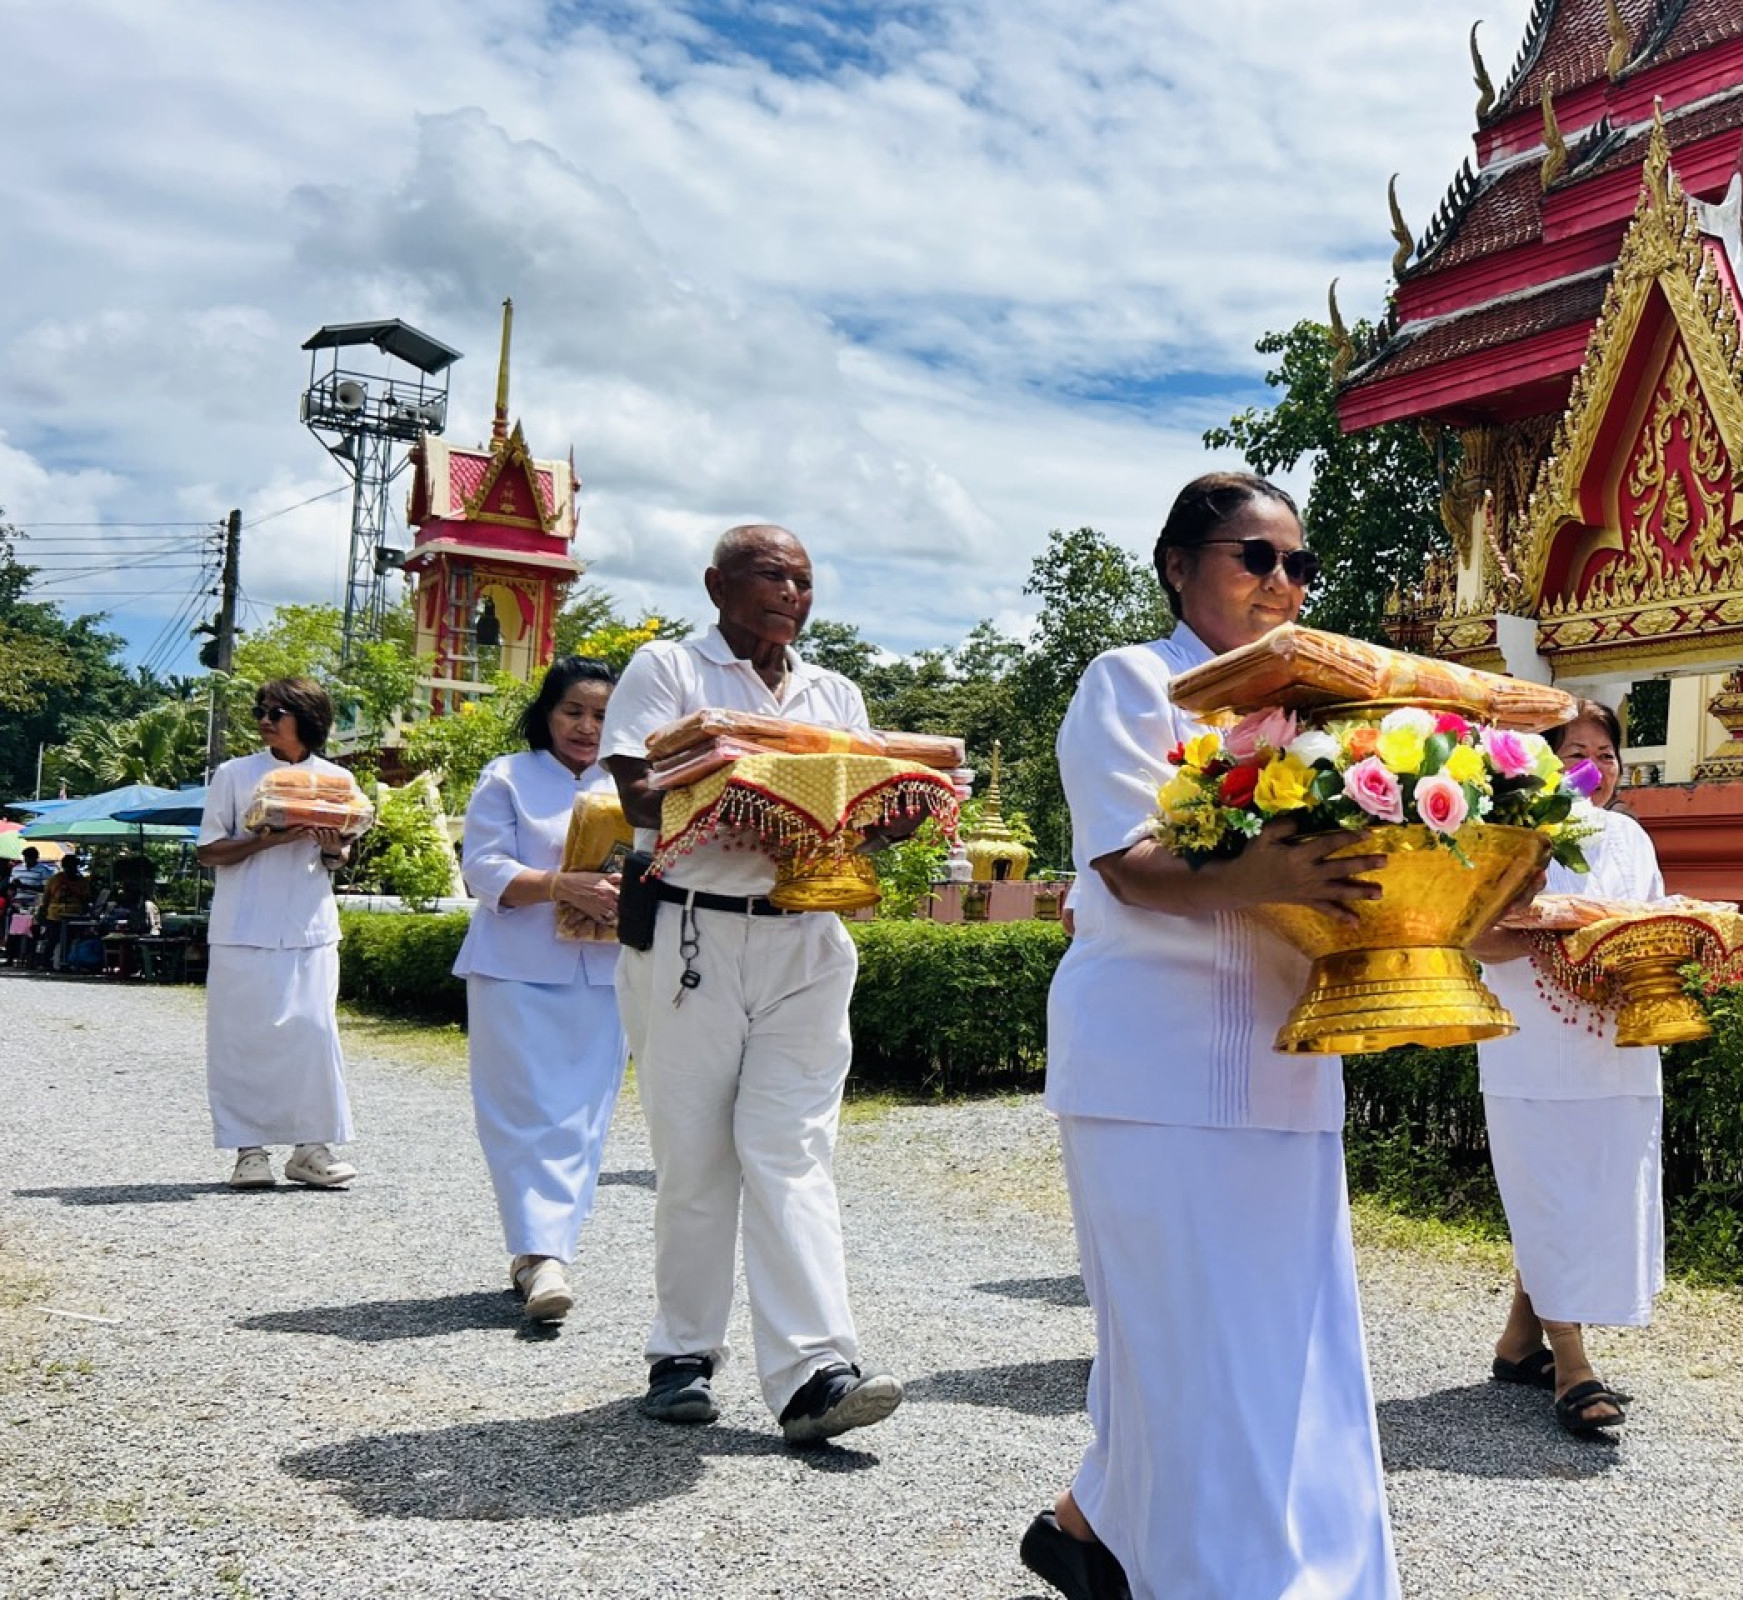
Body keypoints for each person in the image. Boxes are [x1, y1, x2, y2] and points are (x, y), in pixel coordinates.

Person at [1021, 471, 1396, 1600]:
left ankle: (1093, 1530)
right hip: (1152, 1063)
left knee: (1287, 1350)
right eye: (1255, 556)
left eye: (1299, 563)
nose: (1282, 582)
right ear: (1179, 568)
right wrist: (1270, 871)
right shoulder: (1133, 682)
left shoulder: (1329, 716)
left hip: (1286, 1059)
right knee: (1180, 1344)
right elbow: (1128, 865)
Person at [600, 523, 932, 1447]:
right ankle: (682, 1353)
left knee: (790, 1149)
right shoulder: (670, 669)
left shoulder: (834, 692)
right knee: (696, 1154)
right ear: (717, 585)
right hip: (694, 932)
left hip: (806, 939)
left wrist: (893, 813)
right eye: (772, 575)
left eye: (805, 580)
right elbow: (636, 792)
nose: (792, 593)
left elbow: (859, 816)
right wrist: (752, 789)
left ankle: (815, 1372)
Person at [1466, 699, 1663, 1438]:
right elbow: (1472, 937)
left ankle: (1520, 1342)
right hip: (1531, 1044)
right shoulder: (1508, 835)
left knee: (1598, 1191)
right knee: (1546, 1191)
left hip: (1616, 1042)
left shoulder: (1630, 837)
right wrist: (1556, 934)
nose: (1594, 768)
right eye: (1574, 753)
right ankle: (1572, 1365)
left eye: (1606, 755)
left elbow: (1650, 926)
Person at [454, 658, 628, 1326]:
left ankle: (546, 1253)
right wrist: (559, 885)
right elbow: (482, 868)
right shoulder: (507, 776)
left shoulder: (637, 787)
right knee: (521, 1112)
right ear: (547, 714)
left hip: (607, 972)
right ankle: (540, 1255)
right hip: (515, 967)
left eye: (602, 715)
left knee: (582, 1117)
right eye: (573, 711)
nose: (587, 727)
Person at [194, 677, 358, 1190]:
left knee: (315, 1035)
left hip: (310, 926)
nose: (265, 720)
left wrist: (331, 848)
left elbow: (340, 855)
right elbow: (208, 851)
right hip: (242, 927)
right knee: (242, 1040)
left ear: (307, 719)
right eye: (261, 711)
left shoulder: (337, 779)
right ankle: (249, 1151)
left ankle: (310, 1148)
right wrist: (267, 841)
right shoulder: (234, 774)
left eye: (276, 712)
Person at [9, 845, 58, 965]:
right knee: (13, 930)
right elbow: (11, 886)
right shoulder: (17, 869)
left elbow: (45, 889)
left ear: (36, 858)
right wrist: (13, 891)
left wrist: (25, 887)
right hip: (18, 902)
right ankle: (11, 956)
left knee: (33, 931)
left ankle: (31, 957)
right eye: (26, 858)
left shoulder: (44, 870)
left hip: (35, 903)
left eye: (30, 858)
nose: (28, 860)